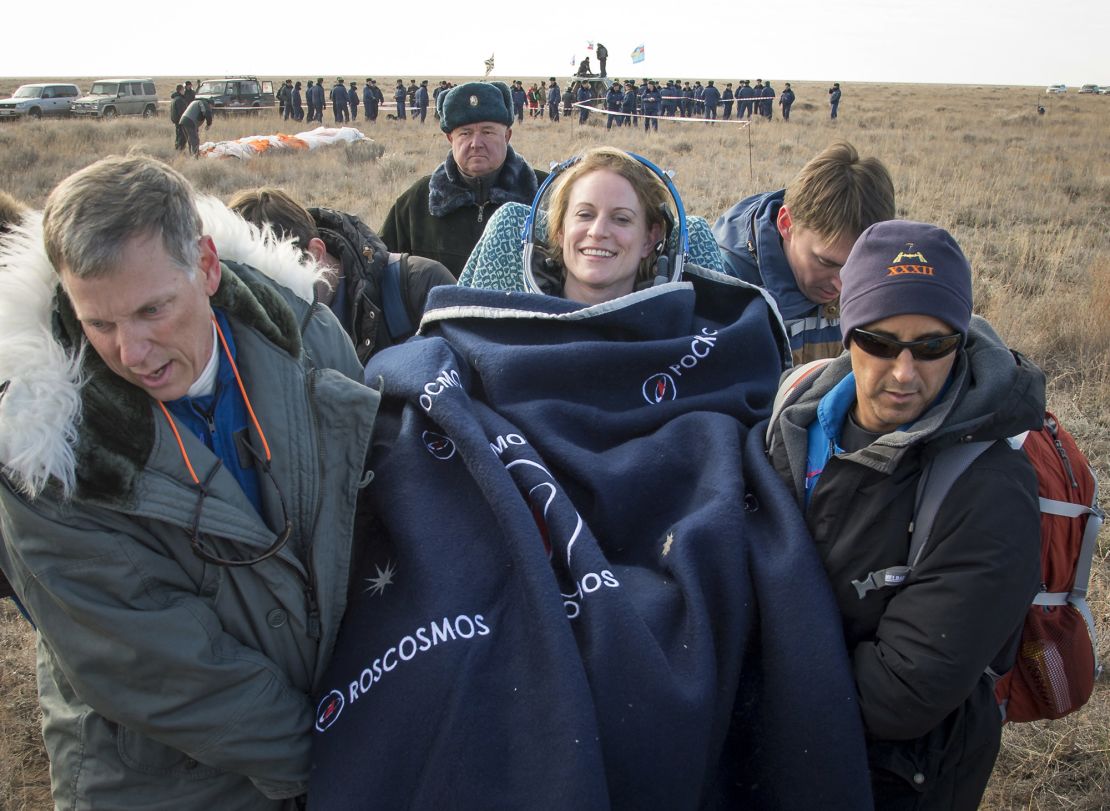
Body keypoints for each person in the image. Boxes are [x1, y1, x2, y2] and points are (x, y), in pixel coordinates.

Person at [311, 146, 873, 808]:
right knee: (450, 642)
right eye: (583, 214)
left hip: (657, 520)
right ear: (557, 231)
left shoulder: (700, 335)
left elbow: (729, 422)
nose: (598, 232)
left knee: (687, 626)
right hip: (514, 511)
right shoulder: (492, 324)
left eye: (620, 219)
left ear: (652, 239)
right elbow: (429, 393)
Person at [0, 155, 378, 808]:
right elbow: (162, 672)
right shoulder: (44, 461)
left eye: (152, 310)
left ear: (206, 266)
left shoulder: (310, 338)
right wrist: (332, 760)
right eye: (100, 323)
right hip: (164, 782)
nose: (131, 352)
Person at [765, 220, 1044, 810]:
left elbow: (902, 692)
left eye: (933, 345)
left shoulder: (987, 487)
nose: (903, 372)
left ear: (961, 342)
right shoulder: (794, 411)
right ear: (847, 332)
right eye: (881, 341)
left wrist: (751, 685)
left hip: (897, 778)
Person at [712, 141, 895, 364]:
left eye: (857, 267)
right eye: (825, 262)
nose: (841, 285)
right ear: (786, 223)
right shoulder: (724, 283)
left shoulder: (887, 271)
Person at [228, 187, 454, 363]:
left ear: (315, 253)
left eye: (274, 280)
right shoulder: (234, 324)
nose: (266, 301)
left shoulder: (422, 286)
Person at [379, 81, 547, 278]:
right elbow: (383, 270)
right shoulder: (417, 202)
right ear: (451, 139)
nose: (476, 144)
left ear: (507, 136)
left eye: (487, 132)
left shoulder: (544, 196)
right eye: (465, 133)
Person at [170, 84, 188, 151]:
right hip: (180, 121)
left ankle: (177, 149)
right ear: (180, 90)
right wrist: (184, 120)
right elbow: (182, 112)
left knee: (178, 136)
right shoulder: (179, 100)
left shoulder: (175, 98)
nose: (184, 91)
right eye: (183, 90)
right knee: (182, 137)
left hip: (176, 121)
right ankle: (180, 150)